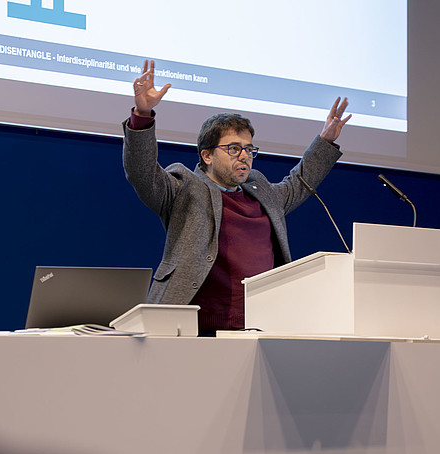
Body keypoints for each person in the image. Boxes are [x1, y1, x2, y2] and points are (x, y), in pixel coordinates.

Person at [122, 60, 351, 334]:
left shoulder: (261, 192)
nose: (243, 155)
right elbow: (142, 172)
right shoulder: (185, 188)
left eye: (248, 149)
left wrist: (324, 142)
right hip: (193, 330)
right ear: (206, 155)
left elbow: (299, 182)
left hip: (260, 329)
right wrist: (143, 114)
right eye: (233, 148)